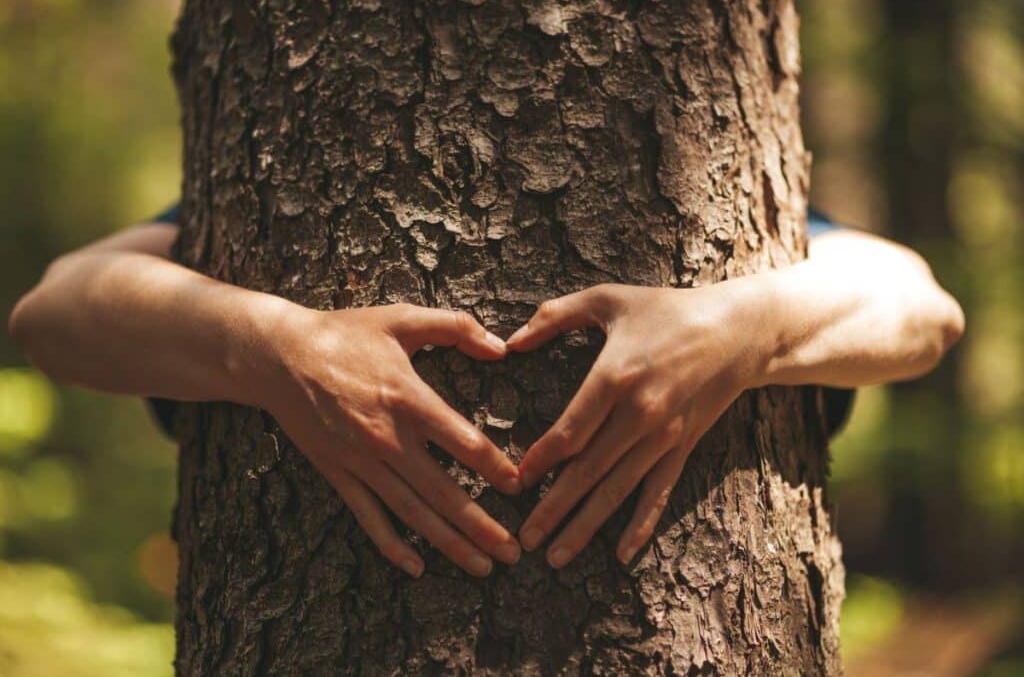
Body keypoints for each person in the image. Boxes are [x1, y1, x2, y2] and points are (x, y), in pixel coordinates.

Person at [7, 206, 964, 579]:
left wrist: (743, 329)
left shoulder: (758, 214)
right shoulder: (245, 193)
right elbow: (53, 312)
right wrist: (272, 347)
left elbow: (920, 306)